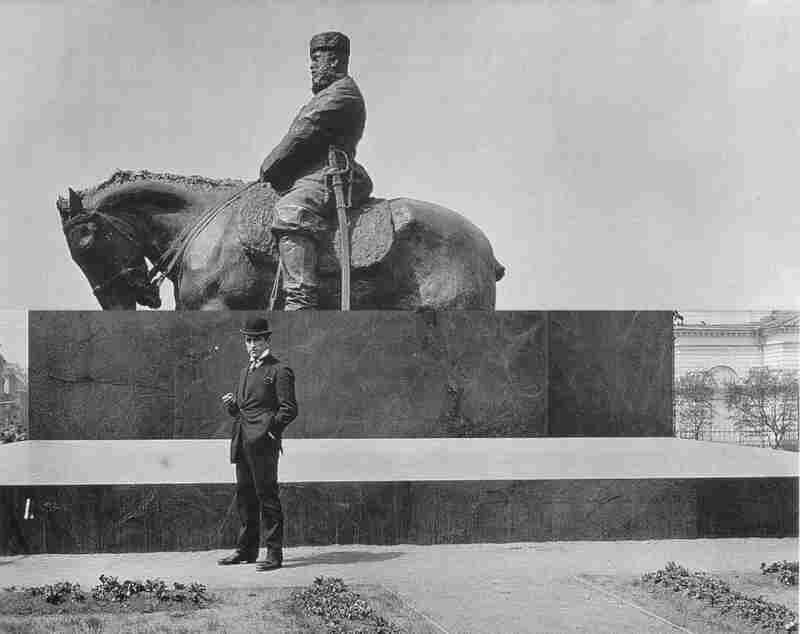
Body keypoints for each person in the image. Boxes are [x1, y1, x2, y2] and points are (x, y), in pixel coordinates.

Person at [259, 31, 373, 309]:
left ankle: (301, 297)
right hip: (312, 173)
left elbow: (301, 135)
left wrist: (268, 168)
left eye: (316, 59)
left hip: (329, 176)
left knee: (291, 210)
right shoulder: (328, 94)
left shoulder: (340, 94)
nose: (311, 67)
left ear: (334, 61)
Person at [218, 317, 298, 571]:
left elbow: (289, 409)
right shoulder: (245, 372)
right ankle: (247, 550)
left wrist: (270, 433)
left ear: (267, 341)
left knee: (267, 498)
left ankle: (274, 555)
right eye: (248, 340)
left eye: (257, 340)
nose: (252, 345)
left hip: (263, 444)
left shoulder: (279, 370)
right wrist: (233, 407)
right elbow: (246, 411)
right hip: (242, 440)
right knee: (245, 497)